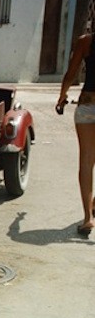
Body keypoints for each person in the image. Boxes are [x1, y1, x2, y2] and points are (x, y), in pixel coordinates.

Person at [57, 32, 95, 236]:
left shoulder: (85, 41)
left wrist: (62, 96)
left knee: (87, 160)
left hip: (88, 104)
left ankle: (88, 218)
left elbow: (71, 74)